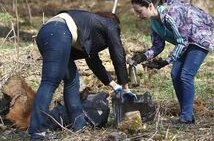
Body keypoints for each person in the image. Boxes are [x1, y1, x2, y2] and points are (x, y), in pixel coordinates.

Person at [28, 10, 135, 140]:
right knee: (50, 82)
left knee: (72, 80)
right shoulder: (110, 25)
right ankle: (37, 131)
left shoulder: (87, 28)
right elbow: (118, 55)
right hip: (57, 33)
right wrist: (125, 87)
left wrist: (115, 85)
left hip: (47, 32)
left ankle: (79, 126)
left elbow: (93, 62)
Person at [130, 0, 214, 124]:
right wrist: (142, 57)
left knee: (186, 74)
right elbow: (158, 46)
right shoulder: (153, 22)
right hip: (186, 40)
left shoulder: (170, 13)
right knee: (175, 74)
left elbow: (182, 41)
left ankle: (186, 117)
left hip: (200, 35)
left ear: (150, 6)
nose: (138, 15)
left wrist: (166, 61)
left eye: (140, 11)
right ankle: (186, 114)